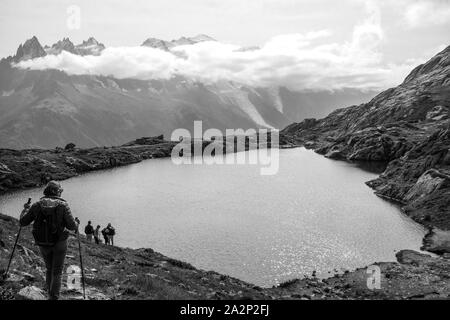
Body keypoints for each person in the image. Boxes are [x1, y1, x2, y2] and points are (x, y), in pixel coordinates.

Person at [19, 181, 78, 300]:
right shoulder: (63, 205)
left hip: (43, 242)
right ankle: (53, 297)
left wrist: (25, 209)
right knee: (57, 271)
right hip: (59, 242)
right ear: (56, 192)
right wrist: (77, 223)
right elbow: (72, 226)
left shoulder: (36, 205)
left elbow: (23, 222)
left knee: (49, 269)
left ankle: (49, 294)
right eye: (60, 191)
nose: (61, 193)